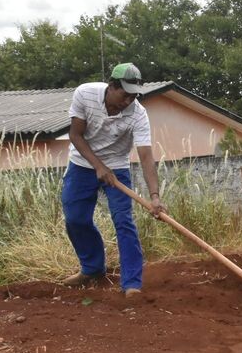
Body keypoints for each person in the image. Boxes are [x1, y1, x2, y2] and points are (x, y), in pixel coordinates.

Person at [61, 63, 166, 297]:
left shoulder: (138, 114)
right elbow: (75, 135)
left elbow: (146, 155)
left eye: (133, 96)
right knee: (76, 219)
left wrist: (155, 197)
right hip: (82, 162)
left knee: (123, 221)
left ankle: (131, 284)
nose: (128, 100)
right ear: (111, 86)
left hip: (117, 166)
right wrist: (98, 166)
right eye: (125, 94)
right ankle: (92, 268)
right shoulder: (85, 94)